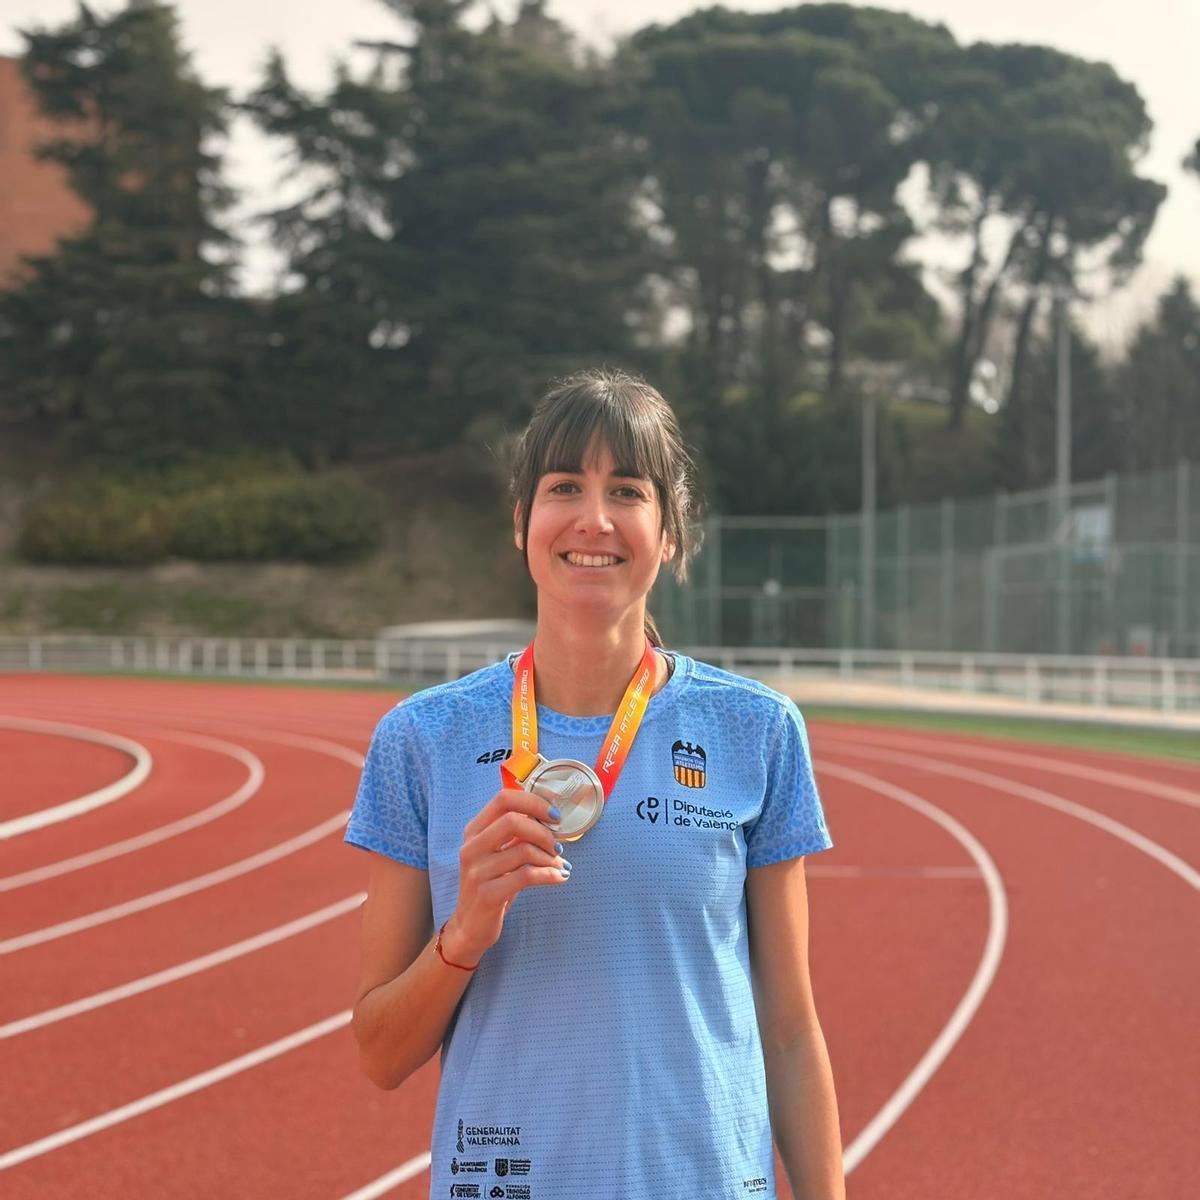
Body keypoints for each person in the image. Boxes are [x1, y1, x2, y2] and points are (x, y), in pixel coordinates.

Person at [344, 368, 845, 1199]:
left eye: (628, 491)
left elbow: (790, 1032)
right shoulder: (422, 740)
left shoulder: (755, 731)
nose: (594, 519)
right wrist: (463, 933)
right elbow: (379, 1054)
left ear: (671, 531)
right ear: (521, 522)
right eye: (564, 486)